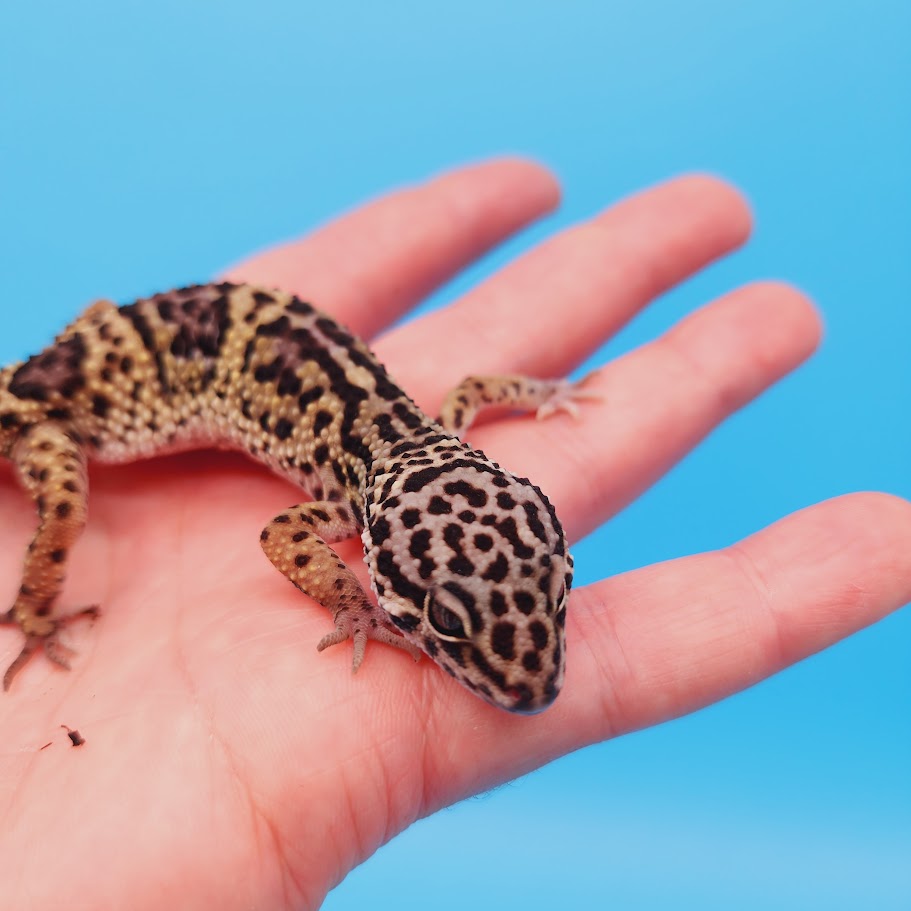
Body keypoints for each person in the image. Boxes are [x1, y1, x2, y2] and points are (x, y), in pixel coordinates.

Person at [1, 159, 908, 910]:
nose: (530, 671)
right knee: (67, 502)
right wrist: (351, 600)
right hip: (50, 408)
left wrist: (542, 391)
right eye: (441, 621)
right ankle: (30, 609)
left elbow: (475, 390)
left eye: (547, 593)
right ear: (389, 564)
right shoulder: (367, 492)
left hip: (154, 350)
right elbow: (284, 536)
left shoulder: (419, 447)